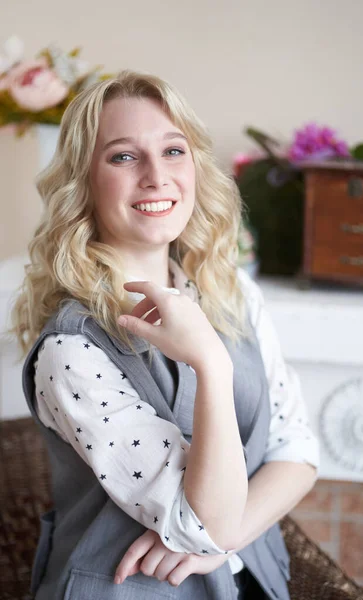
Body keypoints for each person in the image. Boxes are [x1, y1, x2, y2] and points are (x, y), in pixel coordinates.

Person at [12, 70, 319, 600]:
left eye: (173, 151)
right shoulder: (71, 350)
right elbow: (204, 520)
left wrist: (223, 543)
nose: (156, 176)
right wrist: (211, 366)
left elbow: (298, 450)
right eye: (124, 156)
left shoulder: (233, 294)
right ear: (83, 181)